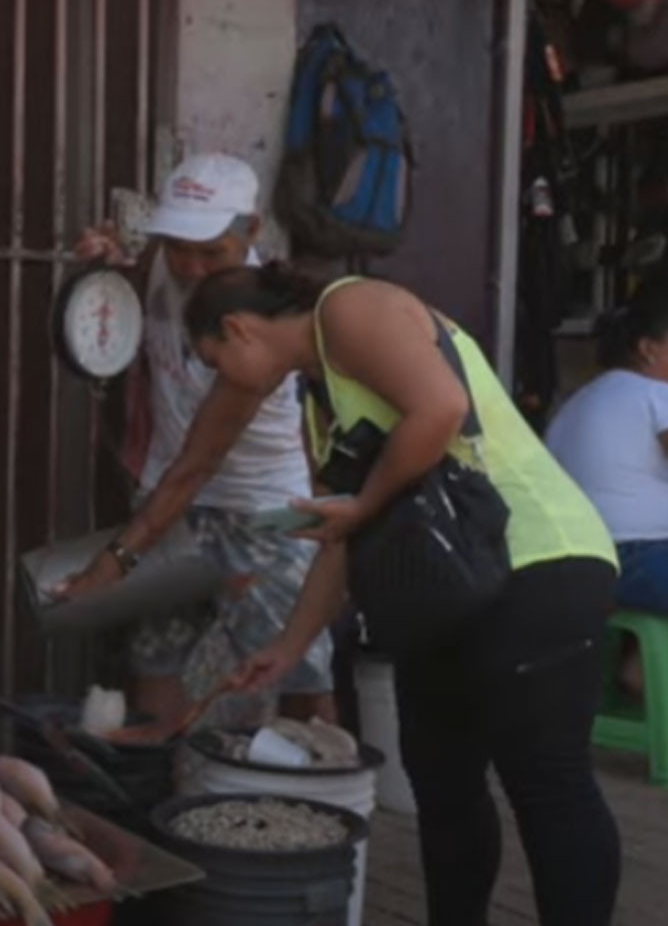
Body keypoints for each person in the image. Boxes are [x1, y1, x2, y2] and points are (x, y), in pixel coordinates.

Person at [185, 263, 621, 926]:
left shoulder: (352, 309)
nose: (221, 379)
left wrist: (360, 505)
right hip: (441, 593)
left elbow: (439, 408)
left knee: (547, 783)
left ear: (239, 329)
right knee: (442, 787)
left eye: (213, 359)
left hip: (539, 562)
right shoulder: (316, 391)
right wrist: (290, 644)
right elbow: (344, 531)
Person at [53, 153, 334, 729]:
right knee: (159, 657)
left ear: (251, 231)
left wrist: (114, 564)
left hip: (265, 511)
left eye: (212, 252)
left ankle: (328, 786)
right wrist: (99, 268)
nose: (191, 267)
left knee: (294, 669)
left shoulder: (256, 317)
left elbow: (197, 465)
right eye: (180, 247)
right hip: (173, 500)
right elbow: (107, 306)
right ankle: (161, 794)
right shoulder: (160, 261)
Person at [545, 289, 668, 696]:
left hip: (572, 559)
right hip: (632, 558)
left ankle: (640, 669)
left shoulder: (579, 401)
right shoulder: (656, 393)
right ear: (649, 349)